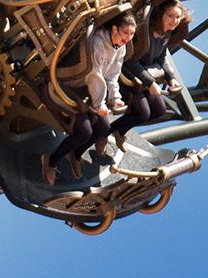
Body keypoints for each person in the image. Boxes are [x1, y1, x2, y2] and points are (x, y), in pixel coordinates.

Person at [40, 12, 137, 183]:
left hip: (85, 93)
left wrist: (116, 98)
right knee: (84, 131)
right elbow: (95, 76)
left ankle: (75, 154)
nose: (128, 38)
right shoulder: (98, 44)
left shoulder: (120, 47)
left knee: (103, 127)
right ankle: (51, 161)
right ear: (115, 29)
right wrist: (100, 104)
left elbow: (113, 76)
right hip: (65, 87)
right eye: (125, 33)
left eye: (132, 34)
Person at [111, 0, 190, 149]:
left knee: (159, 110)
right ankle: (106, 134)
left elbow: (162, 57)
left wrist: (171, 78)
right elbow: (131, 61)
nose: (175, 21)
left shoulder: (166, 34)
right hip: (128, 76)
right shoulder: (145, 32)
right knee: (143, 112)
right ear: (161, 15)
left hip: (143, 79)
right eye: (171, 16)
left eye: (178, 17)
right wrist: (151, 83)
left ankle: (118, 131)